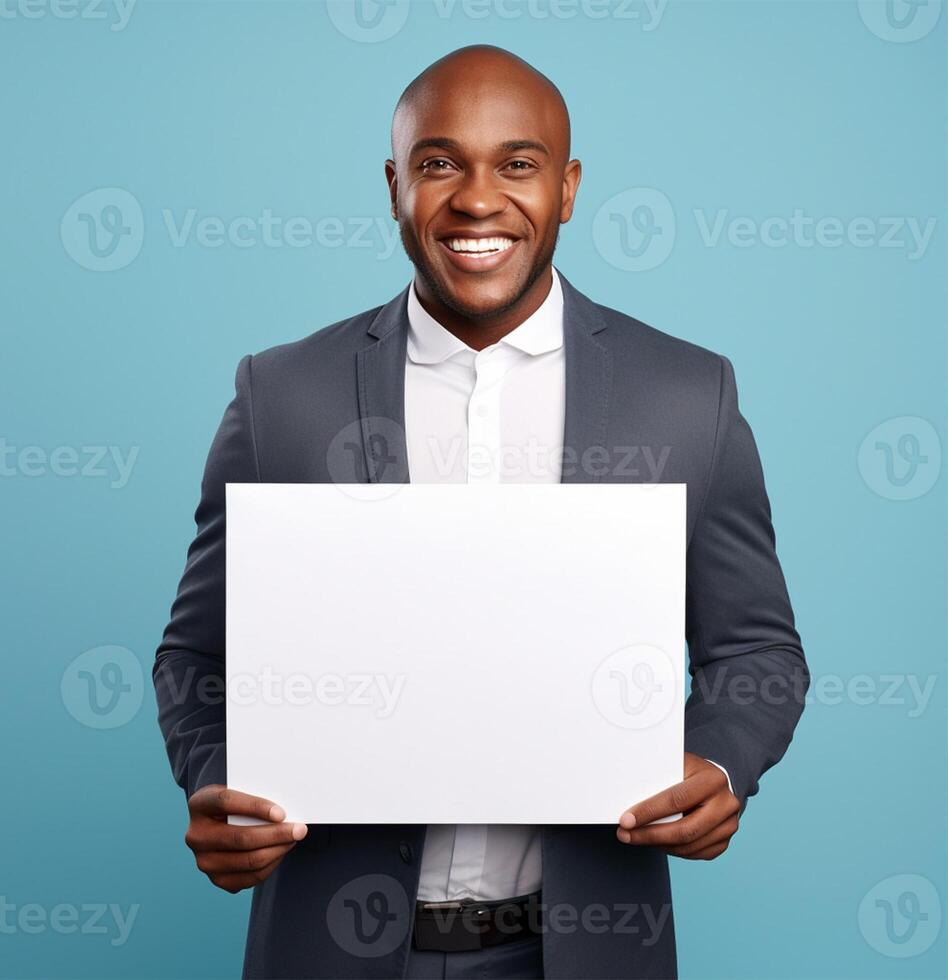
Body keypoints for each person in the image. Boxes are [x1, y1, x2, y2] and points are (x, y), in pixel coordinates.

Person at [154, 44, 808, 980]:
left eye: (518, 164)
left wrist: (719, 762)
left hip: (584, 947)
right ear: (394, 186)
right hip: (330, 946)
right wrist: (214, 780)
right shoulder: (282, 396)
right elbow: (193, 658)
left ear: (569, 187)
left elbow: (758, 652)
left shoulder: (685, 394)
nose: (476, 199)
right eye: (439, 163)